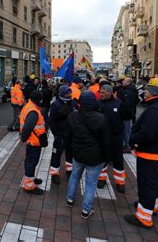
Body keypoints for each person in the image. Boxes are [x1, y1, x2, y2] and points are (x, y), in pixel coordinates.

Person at [124, 78, 158, 229]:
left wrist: (133, 141)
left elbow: (147, 135)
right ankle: (152, 206)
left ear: (154, 91)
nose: (144, 91)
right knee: (152, 182)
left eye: (147, 89)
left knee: (146, 184)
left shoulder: (155, 111)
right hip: (156, 152)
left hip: (149, 153)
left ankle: (144, 217)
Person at [65, 91, 111, 219]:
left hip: (78, 154)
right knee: (91, 183)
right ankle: (86, 210)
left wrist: (69, 153)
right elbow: (106, 142)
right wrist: (107, 158)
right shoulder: (101, 118)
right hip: (95, 157)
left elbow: (67, 137)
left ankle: (70, 199)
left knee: (74, 176)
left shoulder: (72, 116)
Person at [97, 85, 126, 193]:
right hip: (102, 136)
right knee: (102, 158)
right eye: (101, 92)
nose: (101, 94)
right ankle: (101, 179)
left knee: (118, 160)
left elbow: (125, 116)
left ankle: (120, 182)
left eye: (104, 93)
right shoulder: (98, 103)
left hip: (116, 136)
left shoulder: (118, 103)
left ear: (110, 93)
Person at [20, 90, 46, 195]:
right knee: (31, 162)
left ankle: (31, 178)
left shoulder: (29, 105)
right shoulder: (33, 111)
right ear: (38, 100)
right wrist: (24, 138)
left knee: (31, 161)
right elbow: (27, 128)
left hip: (32, 140)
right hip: (34, 141)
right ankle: (29, 186)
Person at [49, 85, 73, 184]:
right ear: (63, 93)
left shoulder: (72, 102)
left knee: (70, 153)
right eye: (68, 93)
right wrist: (56, 134)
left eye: (70, 92)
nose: (70, 94)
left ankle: (69, 169)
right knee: (56, 154)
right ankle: (55, 173)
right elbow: (51, 121)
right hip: (60, 134)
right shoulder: (56, 104)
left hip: (70, 134)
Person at [117, 77, 138, 152]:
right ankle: (129, 144)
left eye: (124, 81)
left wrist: (122, 113)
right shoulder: (131, 90)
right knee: (127, 129)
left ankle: (128, 146)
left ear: (128, 82)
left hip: (126, 114)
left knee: (125, 130)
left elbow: (126, 105)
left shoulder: (127, 92)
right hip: (129, 113)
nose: (122, 82)